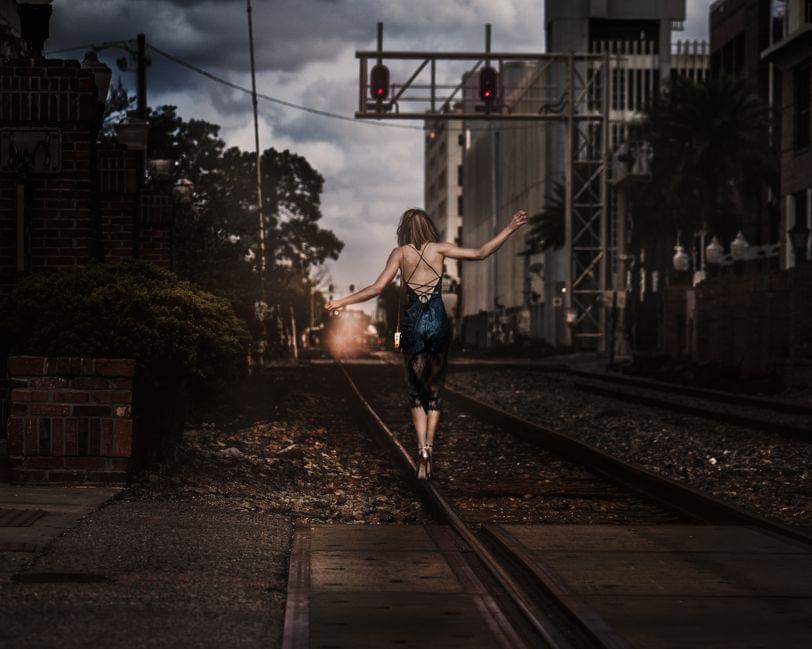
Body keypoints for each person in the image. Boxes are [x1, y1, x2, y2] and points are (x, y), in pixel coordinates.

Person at [325, 207, 528, 479]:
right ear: (428, 228)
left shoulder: (399, 254)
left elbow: (375, 289)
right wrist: (510, 227)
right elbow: (481, 253)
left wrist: (341, 301)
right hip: (437, 322)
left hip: (413, 324)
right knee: (434, 391)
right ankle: (431, 445)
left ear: (404, 231)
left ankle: (420, 448)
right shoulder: (441, 249)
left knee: (415, 391)